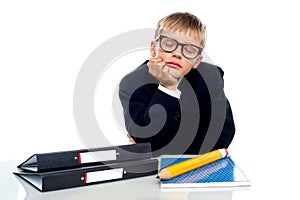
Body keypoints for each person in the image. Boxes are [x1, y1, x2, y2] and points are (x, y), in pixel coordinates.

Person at [119, 12, 235, 156]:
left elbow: (222, 136)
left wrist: (163, 146)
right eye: (168, 44)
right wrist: (167, 88)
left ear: (196, 61)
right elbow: (147, 139)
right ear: (154, 48)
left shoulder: (210, 78)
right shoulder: (132, 84)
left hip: (199, 167)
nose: (177, 54)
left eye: (189, 50)